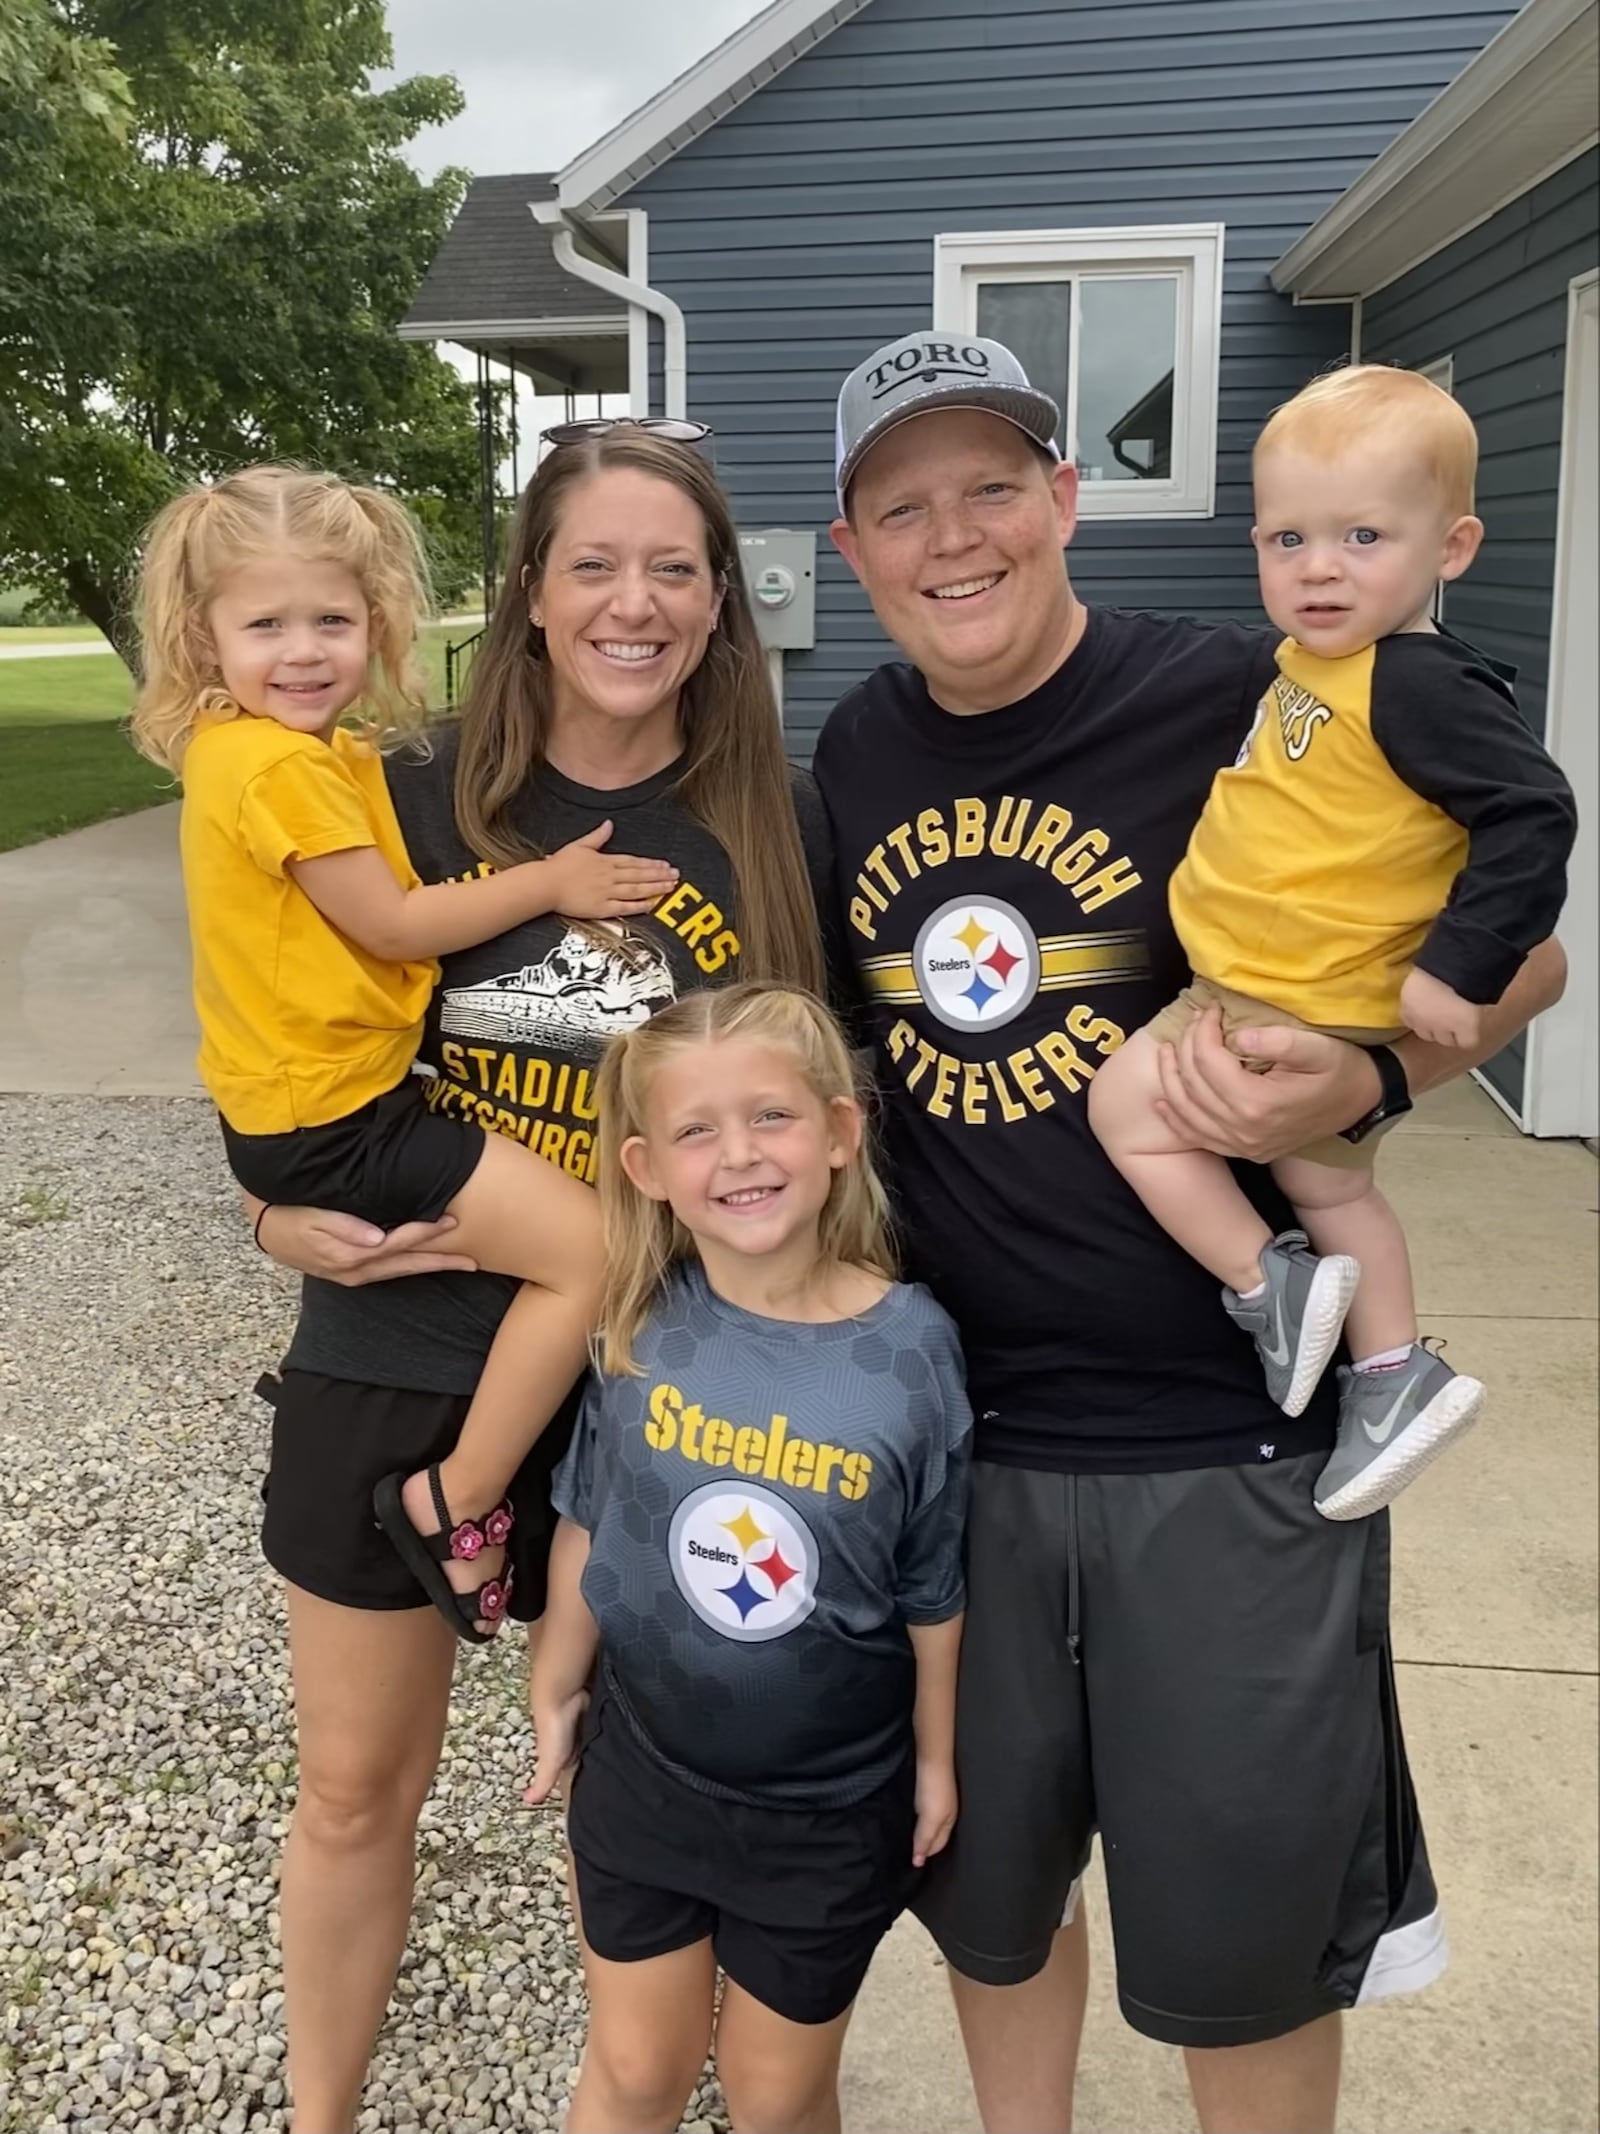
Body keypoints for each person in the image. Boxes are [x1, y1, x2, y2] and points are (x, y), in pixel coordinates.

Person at [814, 330, 1568, 2134]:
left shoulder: (1267, 685)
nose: (955, 536)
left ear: (1066, 497)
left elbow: (1529, 951)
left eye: (994, 484)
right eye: (903, 506)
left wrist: (1368, 1073)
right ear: (851, 550)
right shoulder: (848, 749)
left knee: (1245, 1939)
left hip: (1229, 1448)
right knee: (993, 1911)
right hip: (963, 1451)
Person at [242, 420, 825, 2134]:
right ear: (532, 591)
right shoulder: (405, 790)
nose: (633, 602)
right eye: (594, 563)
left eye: (673, 567)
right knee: (356, 1785)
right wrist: (275, 1215)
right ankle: (320, 2110)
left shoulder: (764, 822)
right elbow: (279, 1039)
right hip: (403, 1332)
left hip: (665, 1376)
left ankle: (637, 2092)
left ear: (721, 600)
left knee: (653, 1812)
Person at [133, 463, 683, 1638]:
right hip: (337, 1121)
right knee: (589, 1253)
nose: (303, 651)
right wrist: (552, 881)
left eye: (330, 619)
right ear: (202, 634)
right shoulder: (280, 765)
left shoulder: (277, 752)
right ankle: (459, 1497)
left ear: (375, 622)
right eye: (265, 623)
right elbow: (389, 922)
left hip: (323, 1102)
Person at [1088, 366, 1576, 1519]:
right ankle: (1387, 1366)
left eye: (1363, 535)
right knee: (1325, 1181)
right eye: (1288, 537)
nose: (1317, 567)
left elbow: (1532, 811)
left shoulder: (1420, 680)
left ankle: (1274, 1288)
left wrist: (1461, 967)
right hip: (1266, 985)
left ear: (1450, 548)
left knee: (1128, 1111)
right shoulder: (1318, 664)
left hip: (1295, 994)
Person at [527, 982, 971, 2134]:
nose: (739, 1155)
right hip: (646, 1781)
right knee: (633, 2073)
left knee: (777, 2097)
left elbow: (929, 1578)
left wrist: (934, 1757)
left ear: (838, 1132)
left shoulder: (912, 1348)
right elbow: (590, 1511)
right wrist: (552, 1681)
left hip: (827, 1815)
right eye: (695, 1131)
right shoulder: (640, 1324)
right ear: (645, 1167)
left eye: (770, 1117)